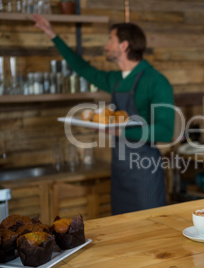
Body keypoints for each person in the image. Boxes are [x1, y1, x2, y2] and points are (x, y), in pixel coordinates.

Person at [32, 14, 175, 215]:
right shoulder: (116, 79)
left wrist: (120, 132)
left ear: (124, 46)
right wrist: (52, 34)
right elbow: (82, 68)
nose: (106, 46)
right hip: (119, 171)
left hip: (145, 172)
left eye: (111, 40)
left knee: (150, 232)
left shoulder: (156, 81)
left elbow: (164, 132)